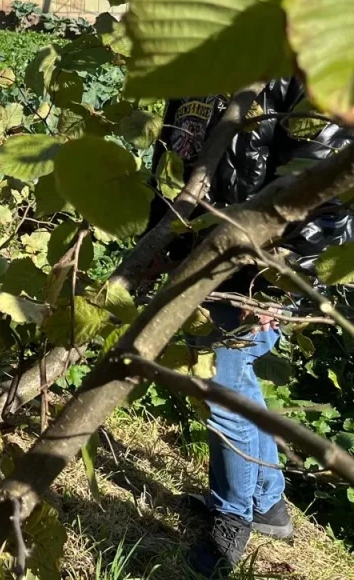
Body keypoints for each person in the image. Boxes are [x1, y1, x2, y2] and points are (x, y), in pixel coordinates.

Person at [149, 81, 354, 576]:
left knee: (223, 384)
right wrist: (156, 240)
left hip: (258, 266)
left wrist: (277, 276)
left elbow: (320, 186)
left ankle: (232, 517)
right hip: (203, 251)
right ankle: (267, 504)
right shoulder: (201, 64)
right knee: (235, 380)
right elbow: (174, 155)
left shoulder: (296, 67)